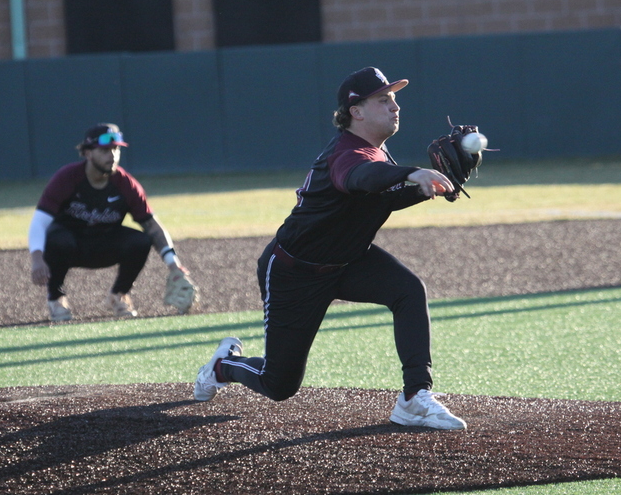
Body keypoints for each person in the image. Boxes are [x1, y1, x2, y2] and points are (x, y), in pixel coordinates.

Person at [194, 67, 467, 430]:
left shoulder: (376, 153)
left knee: (408, 291)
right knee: (279, 384)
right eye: (383, 99)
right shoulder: (347, 154)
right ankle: (223, 366)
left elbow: (380, 195)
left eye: (395, 98)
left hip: (350, 261)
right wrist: (410, 174)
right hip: (296, 271)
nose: (395, 106)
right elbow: (361, 179)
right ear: (356, 111)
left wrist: (430, 187)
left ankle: (415, 397)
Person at [28, 123, 194, 322]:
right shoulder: (67, 178)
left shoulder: (126, 184)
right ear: (88, 153)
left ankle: (119, 295)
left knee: (140, 240)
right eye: (105, 150)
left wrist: (174, 264)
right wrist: (37, 258)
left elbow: (151, 225)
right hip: (69, 245)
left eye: (116, 149)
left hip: (104, 245)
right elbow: (39, 222)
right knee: (57, 239)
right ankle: (56, 298)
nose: (112, 155)